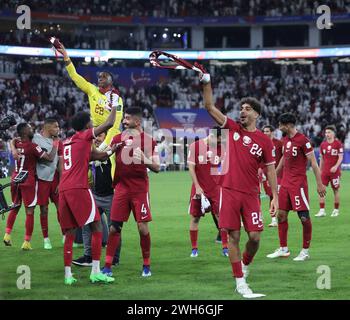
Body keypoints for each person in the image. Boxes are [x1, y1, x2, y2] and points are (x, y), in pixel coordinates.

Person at [196, 63, 278, 298]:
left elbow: (271, 170)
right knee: (233, 236)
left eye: (248, 108)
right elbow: (209, 106)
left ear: (257, 114)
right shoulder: (232, 128)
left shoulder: (264, 141)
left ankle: (244, 265)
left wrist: (275, 197)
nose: (242, 111)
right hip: (229, 190)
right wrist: (207, 82)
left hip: (251, 193)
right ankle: (240, 282)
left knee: (254, 237)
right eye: (241, 108)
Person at [59, 100, 119, 285]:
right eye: (91, 121)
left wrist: (112, 151)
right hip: (79, 188)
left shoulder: (67, 142)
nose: (93, 123)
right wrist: (115, 105)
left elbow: (95, 156)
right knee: (97, 227)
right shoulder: (84, 136)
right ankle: (95, 272)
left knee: (69, 232)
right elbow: (109, 123)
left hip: (63, 190)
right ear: (86, 125)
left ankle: (68, 275)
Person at [101, 107, 160, 278]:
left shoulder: (148, 141)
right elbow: (105, 155)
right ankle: (107, 266)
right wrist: (106, 150)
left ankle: (146, 264)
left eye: (127, 119)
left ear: (137, 122)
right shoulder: (118, 138)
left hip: (140, 190)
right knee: (114, 228)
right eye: (124, 118)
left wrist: (144, 159)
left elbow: (156, 167)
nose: (124, 121)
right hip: (121, 188)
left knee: (142, 228)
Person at [267, 113, 326, 261]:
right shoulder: (285, 140)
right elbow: (283, 161)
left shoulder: (303, 141)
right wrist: (274, 175)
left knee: (304, 218)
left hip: (298, 185)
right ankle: (283, 249)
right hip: (285, 185)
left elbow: (313, 162)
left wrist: (319, 184)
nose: (279, 127)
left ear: (287, 125)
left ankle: (305, 251)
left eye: (281, 125)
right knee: (281, 216)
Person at [55, 40, 123, 156]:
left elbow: (115, 125)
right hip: (95, 131)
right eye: (99, 76)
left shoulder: (116, 99)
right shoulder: (92, 90)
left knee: (109, 166)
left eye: (104, 76)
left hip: (109, 134)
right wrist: (66, 56)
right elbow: (75, 76)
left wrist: (103, 146)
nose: (100, 78)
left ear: (111, 82)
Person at [3, 123, 59, 249]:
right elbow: (49, 158)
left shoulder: (17, 144)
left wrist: (13, 148)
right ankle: (27, 242)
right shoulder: (33, 147)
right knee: (30, 211)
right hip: (28, 180)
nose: (31, 129)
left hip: (15, 179)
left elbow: (12, 140)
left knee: (15, 207)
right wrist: (55, 144)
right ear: (24, 133)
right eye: (29, 128)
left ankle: (7, 235)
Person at [72, 131, 122, 267]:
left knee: (115, 228)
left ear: (106, 138)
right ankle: (88, 256)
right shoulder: (93, 152)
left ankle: (115, 259)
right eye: (96, 136)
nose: (97, 138)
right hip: (95, 195)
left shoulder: (110, 152)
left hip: (111, 196)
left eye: (100, 136)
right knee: (87, 225)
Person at [187, 127, 229, 258]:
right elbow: (191, 167)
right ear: (212, 136)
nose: (220, 141)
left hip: (216, 189)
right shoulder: (195, 146)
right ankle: (194, 249)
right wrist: (198, 187)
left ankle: (225, 247)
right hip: (199, 188)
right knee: (195, 217)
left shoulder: (222, 148)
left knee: (220, 218)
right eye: (219, 139)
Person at [32, 119, 63, 249]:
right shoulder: (35, 139)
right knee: (43, 209)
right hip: (41, 178)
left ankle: (65, 235)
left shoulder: (58, 141)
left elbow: (60, 162)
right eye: (56, 127)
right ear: (48, 127)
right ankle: (46, 239)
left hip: (55, 178)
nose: (58, 129)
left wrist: (61, 181)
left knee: (61, 207)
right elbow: (46, 158)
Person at [315, 125, 343, 218]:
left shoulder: (338, 144)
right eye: (326, 132)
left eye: (329, 132)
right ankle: (322, 210)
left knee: (335, 190)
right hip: (325, 172)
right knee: (321, 190)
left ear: (333, 133)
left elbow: (340, 157)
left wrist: (336, 166)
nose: (327, 134)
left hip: (335, 172)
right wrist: (320, 169)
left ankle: (336, 210)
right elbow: (322, 158)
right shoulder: (323, 145)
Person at [260, 125, 284, 227]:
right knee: (270, 195)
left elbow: (284, 156)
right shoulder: (261, 143)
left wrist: (280, 168)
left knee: (277, 195)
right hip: (266, 173)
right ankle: (273, 219)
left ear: (272, 132)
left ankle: (278, 217)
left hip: (278, 173)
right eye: (264, 131)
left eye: (267, 131)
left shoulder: (279, 143)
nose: (265, 133)